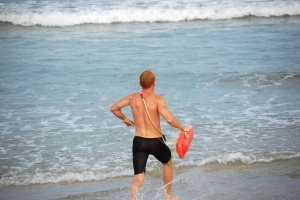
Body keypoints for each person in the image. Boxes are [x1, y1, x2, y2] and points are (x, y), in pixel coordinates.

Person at [110, 70, 189, 200]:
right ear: (154, 83)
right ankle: (169, 196)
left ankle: (133, 197)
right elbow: (169, 119)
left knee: (138, 177)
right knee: (167, 163)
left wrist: (125, 120)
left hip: (139, 141)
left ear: (140, 83)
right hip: (155, 142)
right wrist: (182, 128)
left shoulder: (132, 98)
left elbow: (114, 108)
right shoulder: (158, 99)